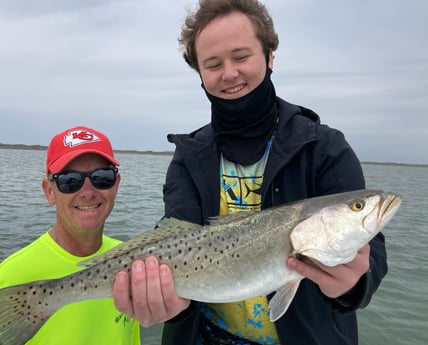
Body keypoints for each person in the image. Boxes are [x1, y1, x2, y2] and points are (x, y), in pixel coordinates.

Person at [113, 0, 388, 344]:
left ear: (270, 56)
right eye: (213, 64)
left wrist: (354, 284)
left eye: (241, 57)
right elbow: (175, 242)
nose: (229, 73)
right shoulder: (188, 158)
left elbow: (371, 255)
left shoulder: (324, 148)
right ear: (200, 73)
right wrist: (166, 302)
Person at [0, 126, 141, 344]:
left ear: (116, 185)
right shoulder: (8, 277)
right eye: (70, 181)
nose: (87, 192)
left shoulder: (137, 263)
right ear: (49, 191)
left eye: (102, 178)